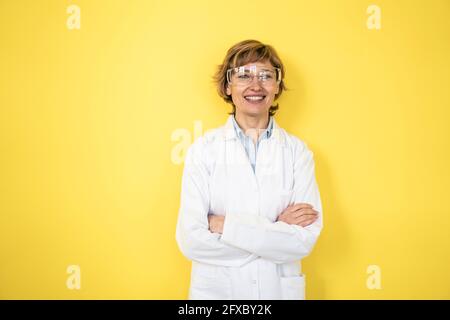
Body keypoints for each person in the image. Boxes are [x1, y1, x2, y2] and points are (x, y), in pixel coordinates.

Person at [175, 39, 323, 300]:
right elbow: (191, 240)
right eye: (244, 75)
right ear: (227, 86)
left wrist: (225, 225)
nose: (256, 85)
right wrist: (276, 228)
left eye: (266, 75)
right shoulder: (202, 150)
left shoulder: (298, 153)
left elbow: (303, 240)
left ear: (277, 86)